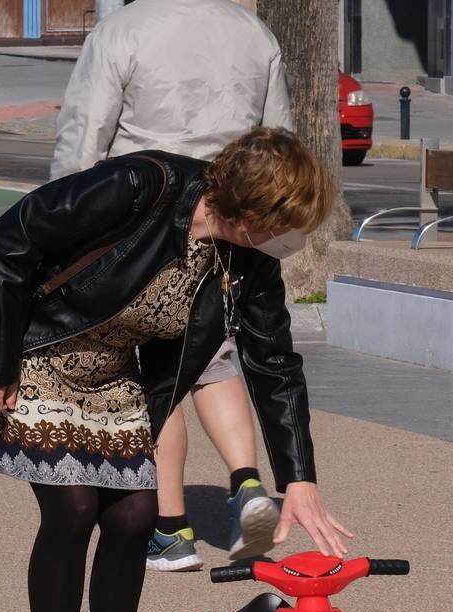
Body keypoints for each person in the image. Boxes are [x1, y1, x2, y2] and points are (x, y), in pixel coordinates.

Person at [0, 128, 352, 612]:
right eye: (285, 226)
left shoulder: (246, 260)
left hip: (114, 374)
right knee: (73, 512)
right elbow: (12, 239)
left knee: (137, 517)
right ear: (250, 213)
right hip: (37, 356)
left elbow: (274, 362)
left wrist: (300, 479)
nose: (291, 243)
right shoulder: (141, 186)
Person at [51, 0, 294, 573]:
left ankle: (170, 526)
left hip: (143, 215)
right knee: (214, 355)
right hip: (232, 216)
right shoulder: (254, 33)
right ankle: (247, 483)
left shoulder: (124, 30)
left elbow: (86, 131)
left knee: (148, 364)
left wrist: (64, 225)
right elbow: (277, 137)